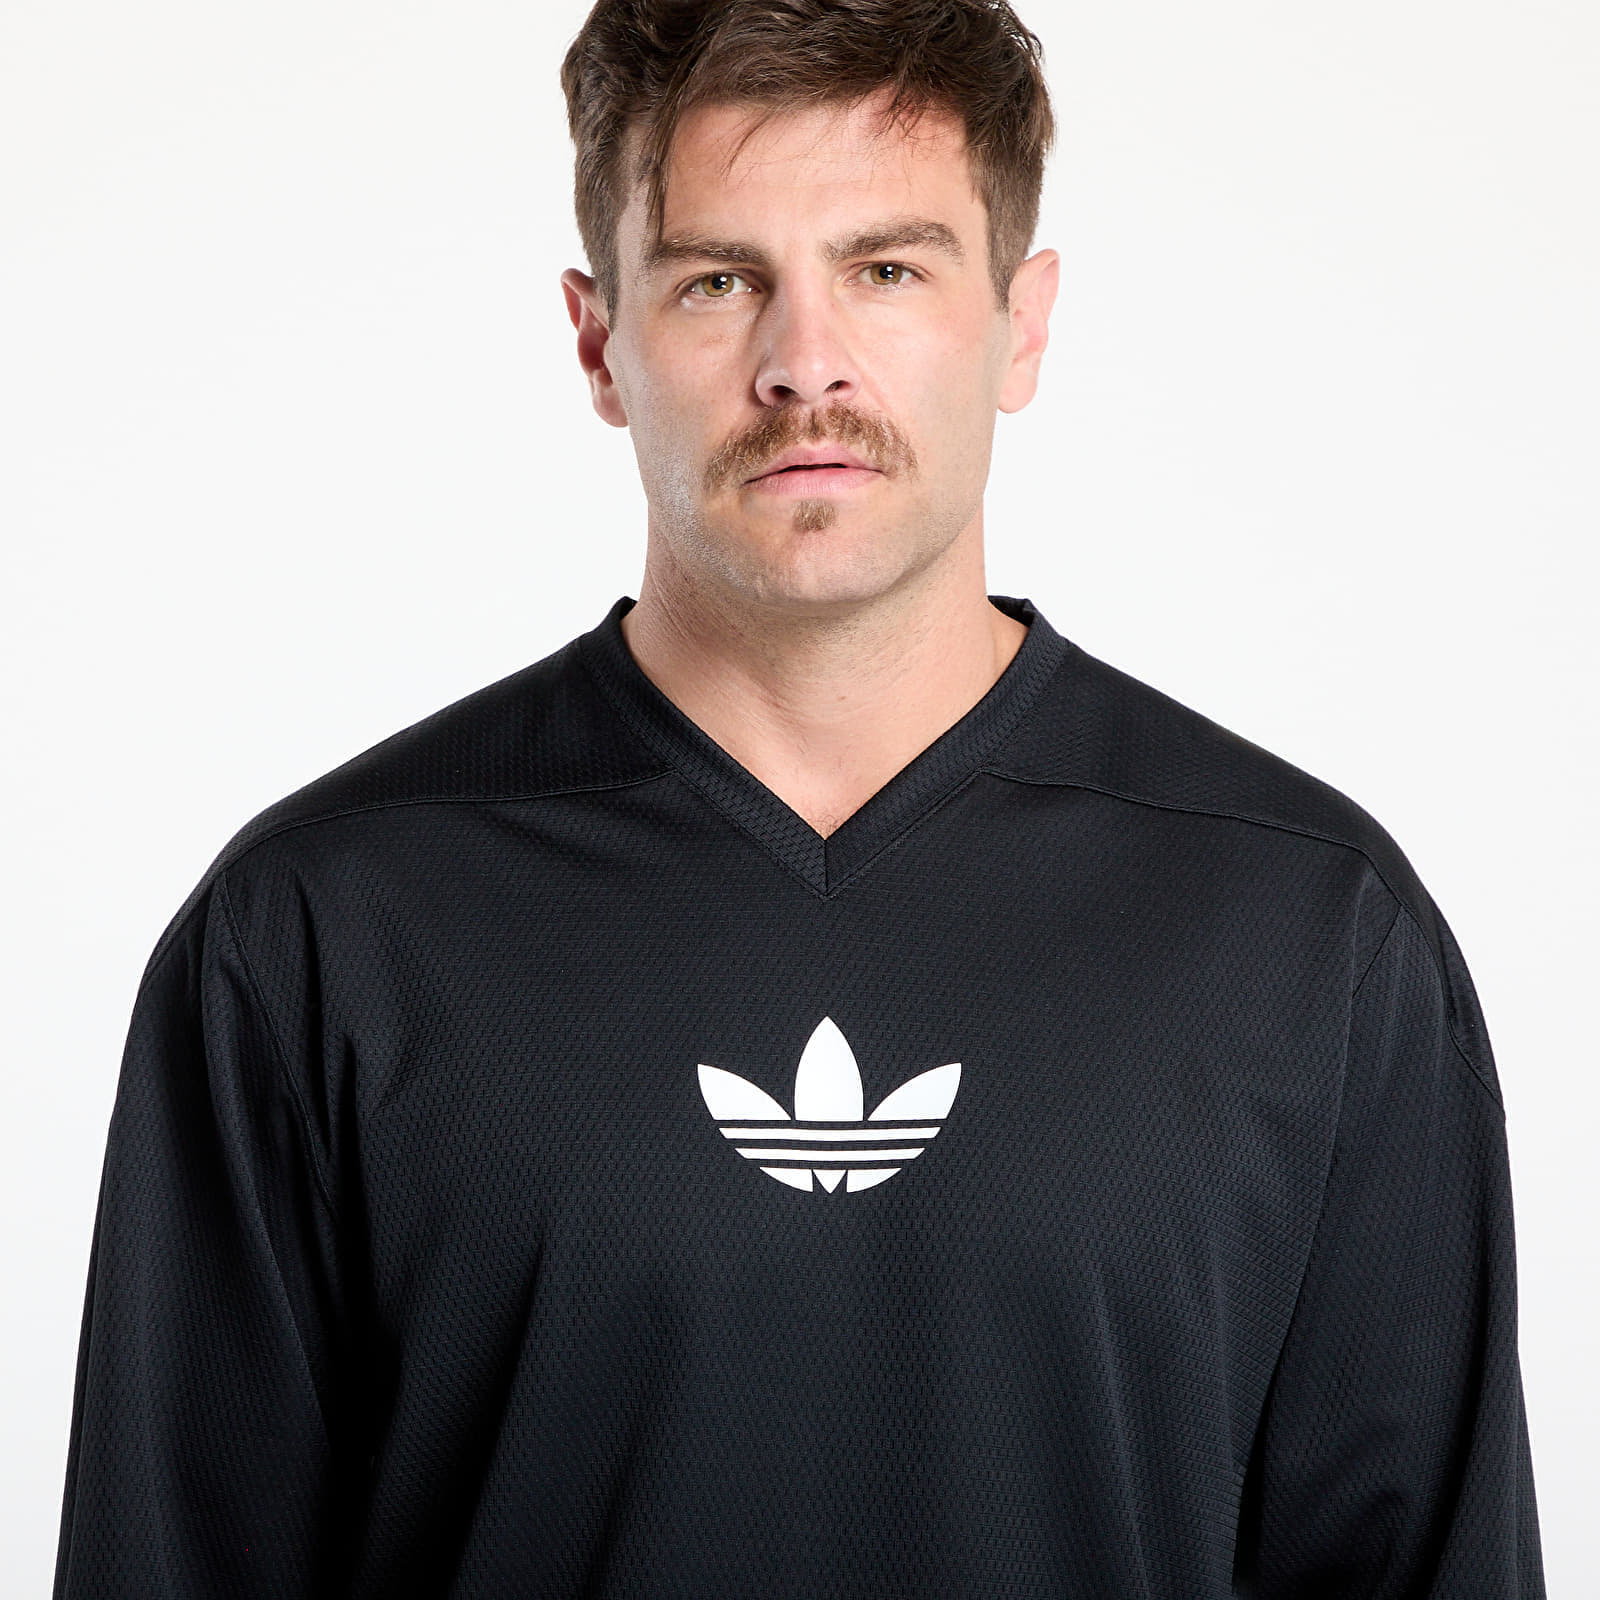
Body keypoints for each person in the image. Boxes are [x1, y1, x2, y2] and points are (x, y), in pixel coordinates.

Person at [53, 1, 1544, 1595]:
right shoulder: (320, 929)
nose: (805, 365)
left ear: (1022, 324)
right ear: (598, 342)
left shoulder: (1308, 927)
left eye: (887, 270)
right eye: (718, 281)